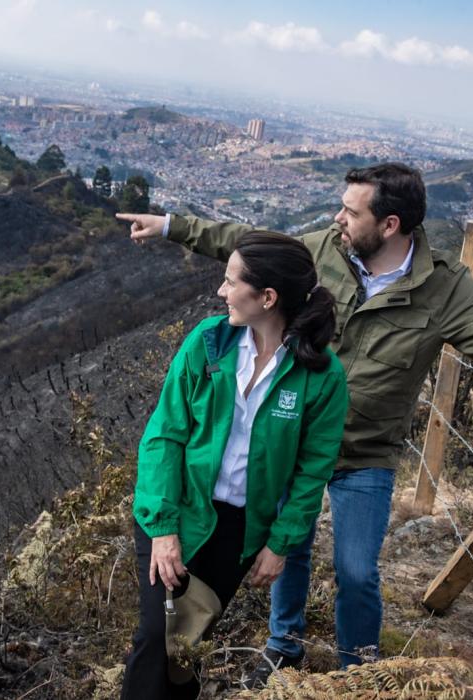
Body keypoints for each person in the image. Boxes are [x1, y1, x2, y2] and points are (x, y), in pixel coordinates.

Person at [117, 162, 473, 685]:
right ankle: (283, 644)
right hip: (287, 440)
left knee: (356, 570)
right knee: (290, 546)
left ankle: (359, 673)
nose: (339, 218)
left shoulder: (444, 288)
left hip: (367, 450)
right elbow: (256, 251)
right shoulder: (327, 247)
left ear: (390, 224)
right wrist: (173, 226)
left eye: (352, 211)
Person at [122, 231, 349, 699]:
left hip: (240, 530)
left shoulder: (322, 375)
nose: (221, 292)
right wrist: (164, 530)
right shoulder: (208, 342)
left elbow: (312, 470)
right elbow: (164, 435)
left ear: (267, 297)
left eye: (230, 282)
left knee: (189, 642)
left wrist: (281, 543)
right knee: (154, 638)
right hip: (175, 507)